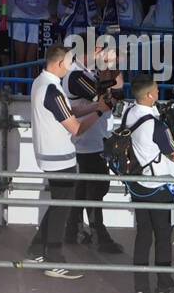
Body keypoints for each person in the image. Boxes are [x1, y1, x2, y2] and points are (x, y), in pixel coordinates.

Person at [27, 43, 115, 280]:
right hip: (58, 157)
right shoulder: (52, 90)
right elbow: (75, 128)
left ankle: (36, 250)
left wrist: (96, 105)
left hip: (53, 155)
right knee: (61, 208)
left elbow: (67, 110)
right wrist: (98, 112)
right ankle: (53, 259)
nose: (71, 66)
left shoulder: (42, 83)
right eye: (68, 62)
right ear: (58, 63)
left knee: (59, 204)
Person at [121, 79, 174, 293]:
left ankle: (140, 291)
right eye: (156, 91)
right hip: (159, 189)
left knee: (143, 237)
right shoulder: (156, 126)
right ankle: (164, 287)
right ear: (150, 96)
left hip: (137, 185)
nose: (159, 93)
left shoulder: (129, 112)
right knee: (163, 238)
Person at [61, 41, 124, 255]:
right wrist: (112, 67)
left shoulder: (87, 72)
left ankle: (73, 229)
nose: (102, 52)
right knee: (96, 189)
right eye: (99, 49)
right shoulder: (77, 76)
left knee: (85, 189)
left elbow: (116, 92)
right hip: (87, 141)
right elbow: (107, 96)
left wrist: (113, 68)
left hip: (95, 139)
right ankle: (100, 236)